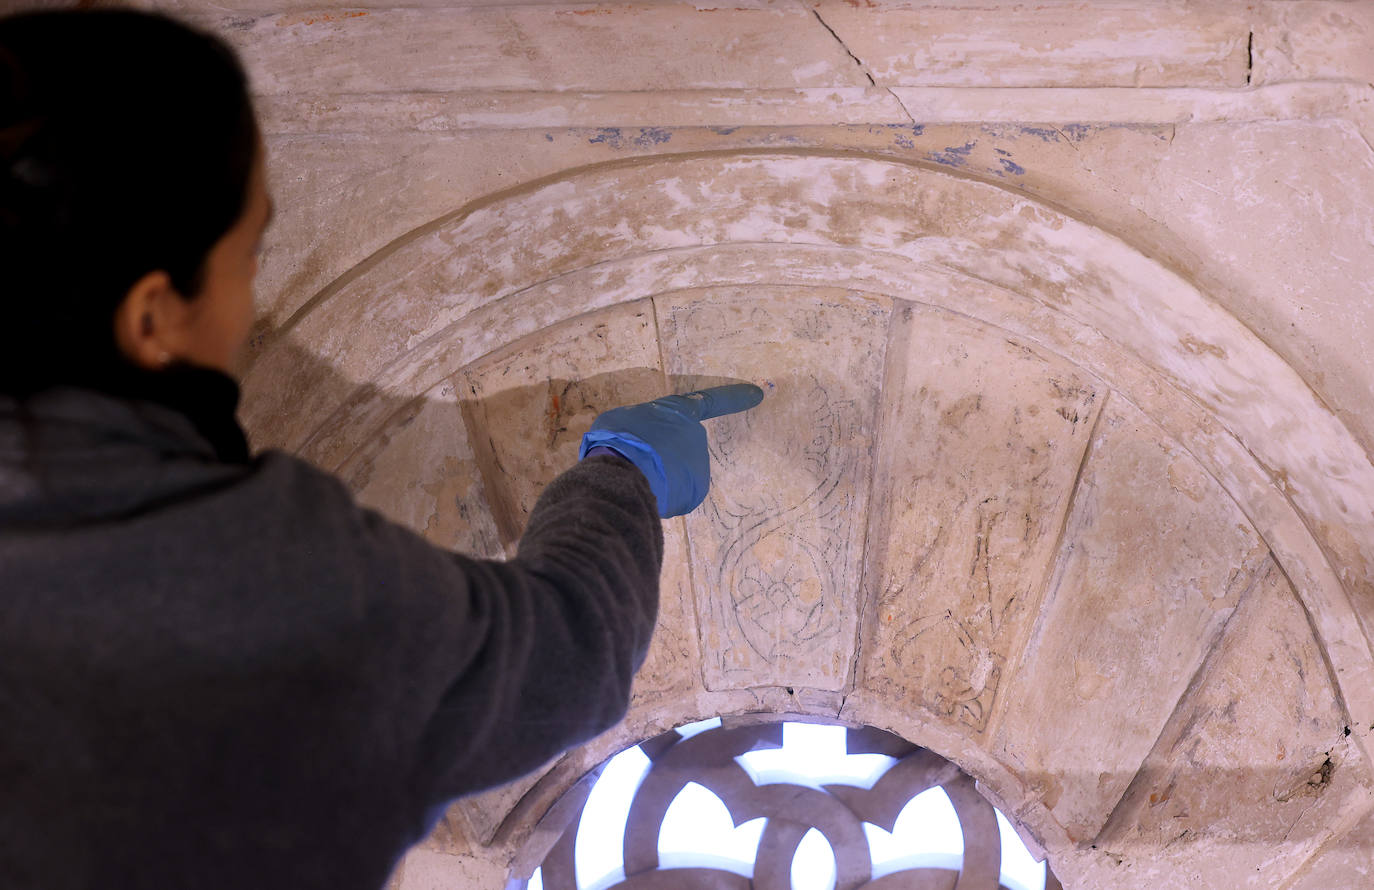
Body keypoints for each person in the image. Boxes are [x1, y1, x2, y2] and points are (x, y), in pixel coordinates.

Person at [0, 9, 762, 890]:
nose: (256, 308)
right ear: (150, 316)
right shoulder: (249, 575)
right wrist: (624, 472)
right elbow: (568, 655)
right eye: (250, 257)